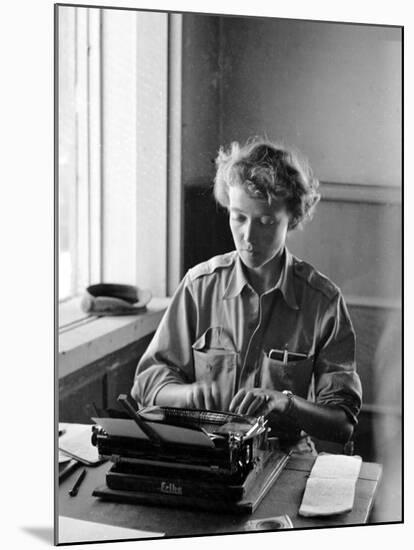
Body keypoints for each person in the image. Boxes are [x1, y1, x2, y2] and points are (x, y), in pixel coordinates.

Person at [131, 138, 362, 450]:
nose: (248, 236)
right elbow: (146, 386)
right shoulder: (199, 287)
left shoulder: (323, 302)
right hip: (207, 454)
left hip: (284, 460)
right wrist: (185, 395)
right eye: (238, 217)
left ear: (291, 219)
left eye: (266, 222)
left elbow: (342, 424)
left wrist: (285, 403)